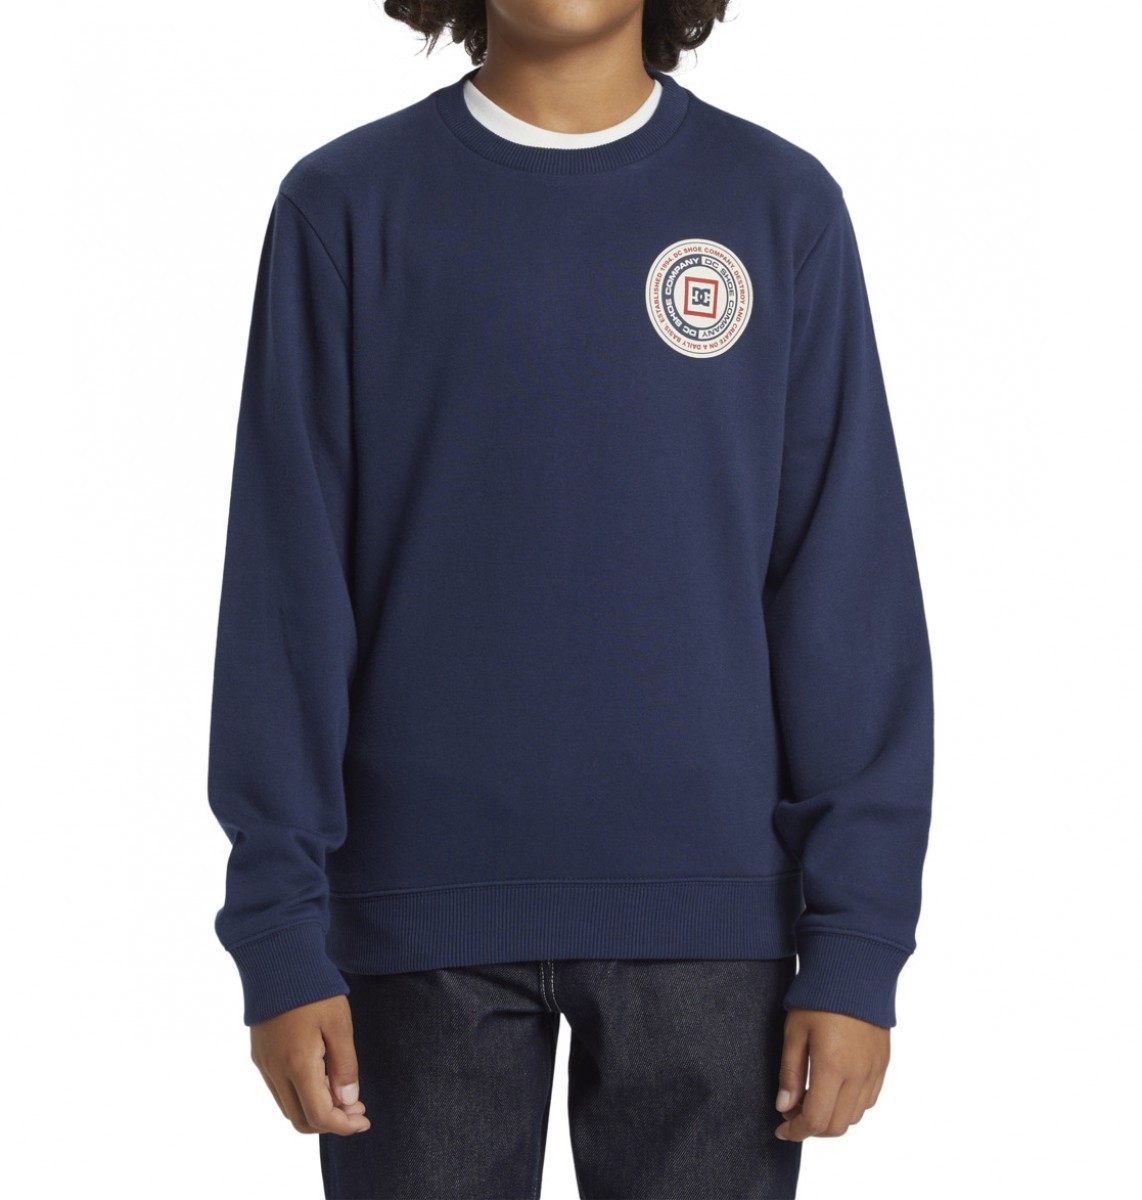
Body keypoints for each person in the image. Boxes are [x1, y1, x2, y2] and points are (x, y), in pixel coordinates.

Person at [206, 2, 934, 1196]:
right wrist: (278, 934)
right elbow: (285, 592)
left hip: (712, 931)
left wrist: (856, 944)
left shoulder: (777, 206)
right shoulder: (342, 206)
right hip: (409, 922)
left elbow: (842, 590)